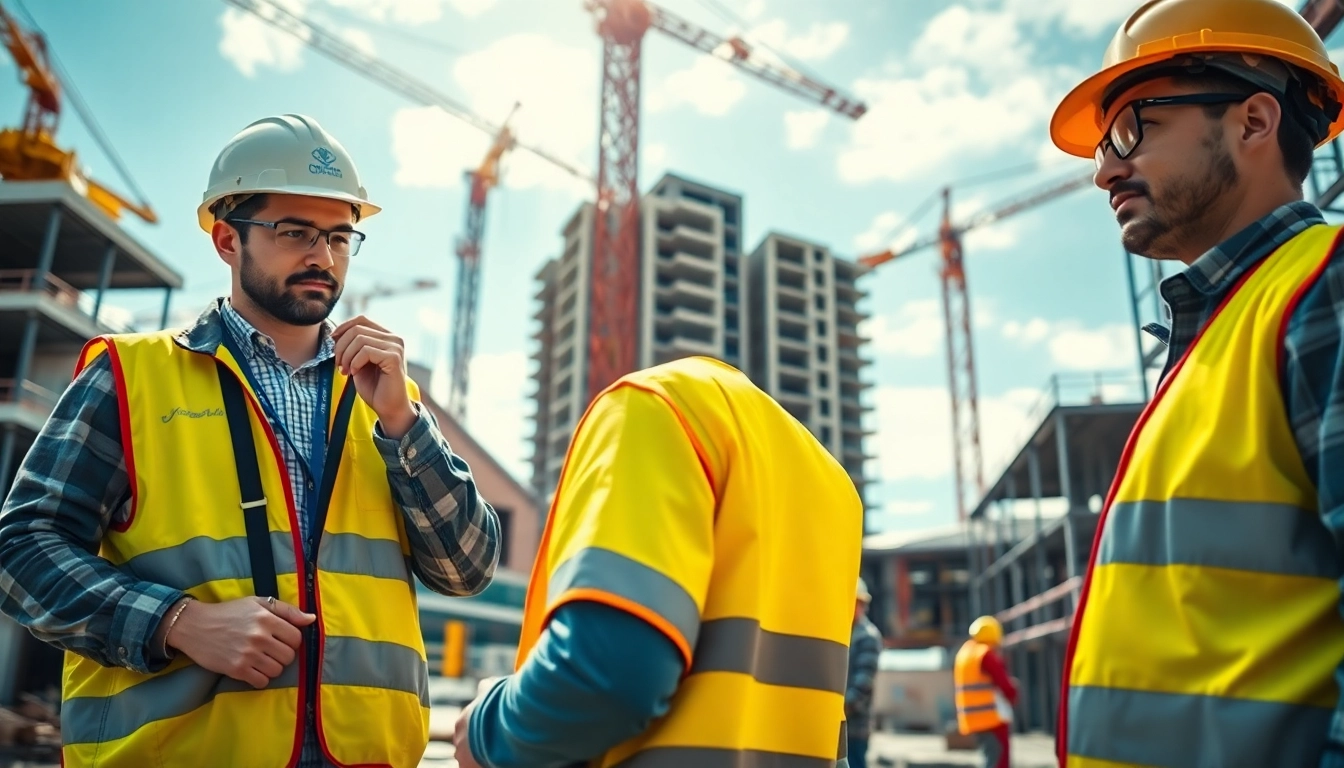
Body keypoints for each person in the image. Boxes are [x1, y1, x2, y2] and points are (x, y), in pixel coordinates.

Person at [0, 113, 501, 768]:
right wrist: (174, 622)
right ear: (226, 240)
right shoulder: (131, 377)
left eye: (340, 237)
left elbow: (467, 570)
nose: (323, 256)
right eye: (295, 232)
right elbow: (22, 551)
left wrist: (406, 425)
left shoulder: (382, 399)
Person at [1047, 0, 1344, 765]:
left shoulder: (1326, 288)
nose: (1104, 169)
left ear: (1252, 122)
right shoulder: (1219, 337)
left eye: (1131, 128)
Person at [451, 355, 864, 768]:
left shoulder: (654, 406)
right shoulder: (833, 485)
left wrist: (485, 730)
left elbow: (609, 674)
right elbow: (831, 736)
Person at [954, 616, 1016, 768]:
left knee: (989, 758)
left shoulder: (964, 653)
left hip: (972, 719)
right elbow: (1005, 685)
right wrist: (1013, 694)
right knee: (998, 761)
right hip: (991, 719)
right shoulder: (985, 654)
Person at [846, 577, 883, 767]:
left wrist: (838, 712)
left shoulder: (867, 637)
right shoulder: (846, 634)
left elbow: (862, 686)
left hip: (855, 728)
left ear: (860, 604)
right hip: (841, 726)